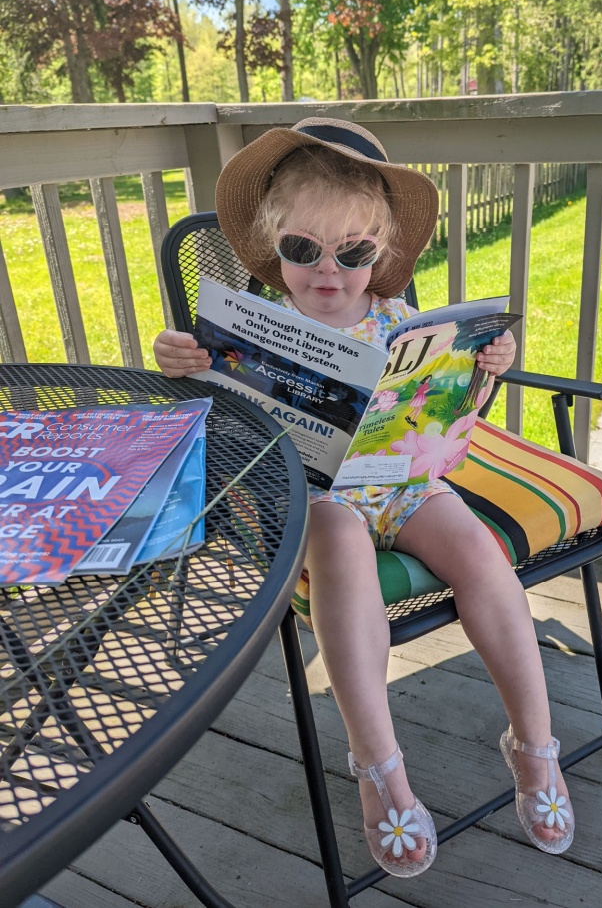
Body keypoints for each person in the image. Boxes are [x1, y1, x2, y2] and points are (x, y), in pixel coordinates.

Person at [153, 118, 575, 877]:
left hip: (403, 486)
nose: (327, 270)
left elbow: (441, 411)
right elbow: (210, 415)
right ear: (274, 243)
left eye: (352, 252)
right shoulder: (253, 330)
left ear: (379, 253)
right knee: (342, 540)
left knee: (481, 552)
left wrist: (489, 366)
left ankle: (534, 742)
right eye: (302, 249)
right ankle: (379, 764)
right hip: (314, 499)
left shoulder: (400, 322)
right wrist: (182, 360)